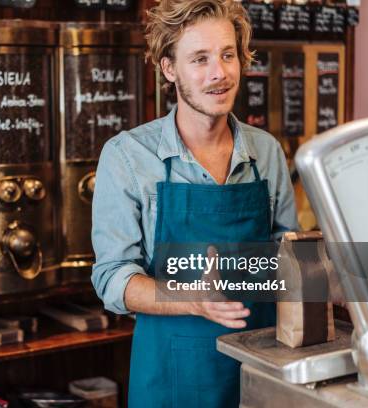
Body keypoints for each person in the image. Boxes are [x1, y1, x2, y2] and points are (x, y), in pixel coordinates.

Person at [91, 1, 299, 407]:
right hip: (172, 380)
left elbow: (286, 256)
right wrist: (192, 297)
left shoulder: (267, 153)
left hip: (259, 371)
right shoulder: (128, 157)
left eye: (227, 55)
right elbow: (112, 278)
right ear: (170, 69)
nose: (219, 73)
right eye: (200, 59)